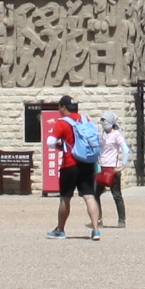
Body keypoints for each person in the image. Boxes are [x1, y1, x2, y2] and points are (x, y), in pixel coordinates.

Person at [49, 95, 103, 239]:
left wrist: (59, 146)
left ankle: (60, 229)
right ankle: (96, 230)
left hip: (70, 164)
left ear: (63, 107)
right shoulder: (86, 119)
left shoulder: (62, 122)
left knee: (65, 198)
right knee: (90, 197)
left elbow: (50, 141)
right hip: (87, 162)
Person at [97, 115, 130, 227]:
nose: (104, 124)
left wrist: (123, 165)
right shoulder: (102, 135)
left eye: (105, 121)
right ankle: (98, 219)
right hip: (102, 167)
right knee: (95, 194)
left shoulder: (116, 134)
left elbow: (125, 149)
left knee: (116, 195)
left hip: (112, 168)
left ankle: (121, 220)